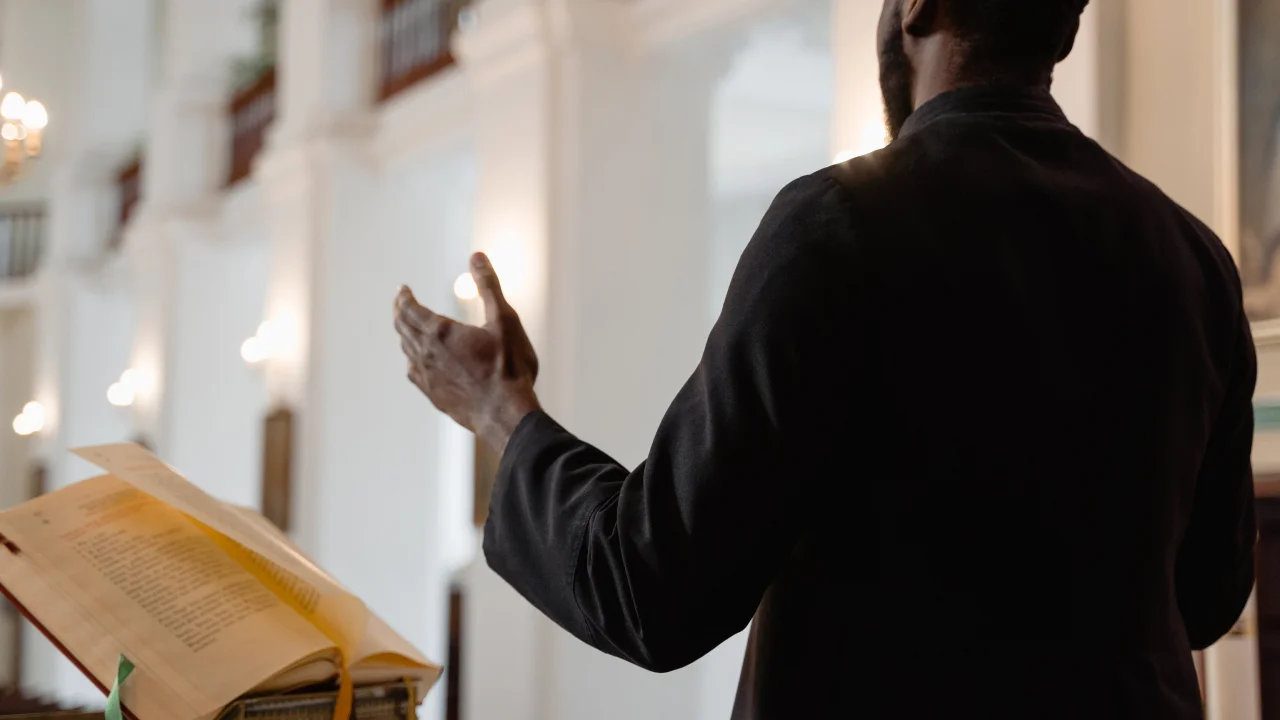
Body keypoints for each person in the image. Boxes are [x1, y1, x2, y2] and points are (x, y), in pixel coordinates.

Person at [393, 0, 1257, 716]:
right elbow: (1207, 599)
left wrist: (498, 408)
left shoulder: (841, 228)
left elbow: (650, 589)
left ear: (916, 7)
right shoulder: (1193, 259)